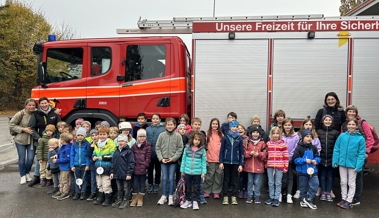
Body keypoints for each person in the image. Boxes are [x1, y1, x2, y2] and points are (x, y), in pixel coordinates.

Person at [341, 105, 374, 205]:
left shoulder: (362, 123)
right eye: (349, 112)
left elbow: (370, 138)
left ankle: (356, 198)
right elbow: (342, 140)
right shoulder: (343, 125)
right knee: (347, 178)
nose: (351, 113)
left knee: (358, 177)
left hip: (359, 156)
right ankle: (347, 197)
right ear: (346, 113)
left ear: (356, 113)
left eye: (353, 112)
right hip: (348, 157)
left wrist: (366, 152)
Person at [333, 118, 366, 209]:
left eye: (353, 124)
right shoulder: (342, 136)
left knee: (351, 183)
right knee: (343, 182)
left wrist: (359, 165)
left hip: (353, 164)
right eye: (349, 124)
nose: (351, 126)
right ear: (347, 125)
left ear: (356, 126)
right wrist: (335, 160)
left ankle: (349, 200)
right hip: (342, 163)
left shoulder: (360, 138)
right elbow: (336, 149)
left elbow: (361, 153)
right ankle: (343, 198)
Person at [29, 96, 61, 187]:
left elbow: (59, 125)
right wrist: (38, 137)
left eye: (45, 103)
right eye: (42, 103)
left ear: (48, 103)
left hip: (53, 140)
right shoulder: (36, 114)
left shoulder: (54, 112)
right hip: (41, 139)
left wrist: (57, 138)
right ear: (40, 104)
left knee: (51, 159)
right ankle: (37, 176)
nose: (44, 105)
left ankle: (49, 178)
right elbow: (32, 127)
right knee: (40, 158)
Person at [156, 118, 184, 205]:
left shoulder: (178, 136)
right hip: (163, 160)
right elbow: (157, 147)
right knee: (164, 178)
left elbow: (180, 148)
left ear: (175, 126)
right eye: (168, 124)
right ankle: (164, 196)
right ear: (165, 126)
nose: (170, 126)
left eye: (171, 124)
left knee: (171, 178)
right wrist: (161, 158)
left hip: (173, 161)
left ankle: (171, 196)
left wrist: (174, 158)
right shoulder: (161, 135)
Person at [9, 98, 37, 184]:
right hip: (20, 139)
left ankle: (27, 172)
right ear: (26, 106)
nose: (31, 107)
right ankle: (22, 175)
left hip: (31, 140)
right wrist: (23, 129)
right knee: (21, 158)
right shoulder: (20, 114)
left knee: (30, 159)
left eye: (33, 105)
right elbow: (12, 124)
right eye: (29, 105)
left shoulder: (36, 113)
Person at [293, 129, 321, 210]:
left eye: (310, 137)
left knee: (315, 184)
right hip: (302, 172)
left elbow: (318, 157)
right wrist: (304, 160)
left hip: (313, 171)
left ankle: (309, 199)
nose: (309, 138)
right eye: (307, 136)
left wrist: (316, 161)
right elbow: (295, 160)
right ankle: (303, 200)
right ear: (302, 137)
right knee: (303, 187)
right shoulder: (298, 148)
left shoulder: (314, 148)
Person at [219, 120, 244, 205]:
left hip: (236, 163)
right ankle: (225, 197)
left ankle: (234, 197)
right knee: (226, 180)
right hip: (226, 162)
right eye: (233, 126)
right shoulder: (226, 137)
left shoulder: (239, 139)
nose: (235, 128)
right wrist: (221, 162)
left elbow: (241, 152)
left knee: (235, 180)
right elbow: (222, 150)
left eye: (236, 127)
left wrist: (241, 164)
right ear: (230, 127)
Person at [180, 132, 207, 210]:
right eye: (195, 139)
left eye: (199, 140)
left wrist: (203, 172)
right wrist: (182, 170)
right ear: (192, 139)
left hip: (197, 173)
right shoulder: (186, 149)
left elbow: (203, 161)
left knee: (196, 187)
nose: (197, 141)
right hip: (187, 172)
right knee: (188, 187)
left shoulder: (202, 150)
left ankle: (195, 201)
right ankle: (188, 200)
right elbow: (183, 160)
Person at [317, 115, 340, 202]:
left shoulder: (336, 133)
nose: (327, 121)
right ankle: (323, 192)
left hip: (332, 159)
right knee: (322, 176)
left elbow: (338, 146)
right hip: (321, 158)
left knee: (330, 176)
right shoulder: (318, 132)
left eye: (329, 120)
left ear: (332, 122)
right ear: (323, 121)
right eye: (326, 120)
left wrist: (336, 158)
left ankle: (328, 192)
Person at [92, 126, 116, 206]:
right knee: (99, 183)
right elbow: (94, 153)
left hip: (106, 167)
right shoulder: (97, 144)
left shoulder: (111, 143)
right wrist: (94, 157)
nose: (102, 136)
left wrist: (102, 158)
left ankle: (108, 198)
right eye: (100, 134)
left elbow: (113, 155)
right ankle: (100, 198)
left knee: (106, 183)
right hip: (98, 167)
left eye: (104, 134)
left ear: (108, 135)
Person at [265, 127, 289, 207]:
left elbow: (286, 156)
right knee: (271, 182)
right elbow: (265, 155)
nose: (275, 135)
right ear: (271, 134)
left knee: (278, 183)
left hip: (279, 166)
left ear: (280, 135)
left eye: (277, 133)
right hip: (270, 166)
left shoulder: (283, 144)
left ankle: (276, 198)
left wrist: (286, 166)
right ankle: (271, 197)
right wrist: (266, 163)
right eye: (274, 133)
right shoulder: (268, 144)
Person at [244, 124, 267, 204]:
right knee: (250, 182)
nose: (255, 134)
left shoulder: (262, 143)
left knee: (257, 182)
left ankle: (257, 197)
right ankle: (249, 197)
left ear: (259, 134)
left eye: (257, 132)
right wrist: (250, 153)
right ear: (250, 133)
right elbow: (243, 152)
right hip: (249, 167)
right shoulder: (247, 142)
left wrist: (259, 154)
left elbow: (265, 154)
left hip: (259, 167)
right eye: (253, 132)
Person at [110, 135, 135, 209]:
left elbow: (131, 163)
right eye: (119, 141)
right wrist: (112, 172)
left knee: (126, 188)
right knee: (119, 188)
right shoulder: (116, 151)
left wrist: (129, 173)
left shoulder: (129, 152)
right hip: (117, 174)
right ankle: (119, 199)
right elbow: (113, 162)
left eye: (122, 141)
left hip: (125, 174)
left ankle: (126, 200)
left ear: (126, 142)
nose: (121, 142)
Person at [130, 129, 152, 207]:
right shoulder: (134, 146)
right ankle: (135, 197)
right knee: (135, 184)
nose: (142, 138)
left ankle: (140, 197)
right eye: (140, 136)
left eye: (143, 136)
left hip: (143, 168)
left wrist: (145, 165)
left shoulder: (148, 146)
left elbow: (148, 157)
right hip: (135, 168)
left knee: (142, 184)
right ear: (137, 137)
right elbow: (131, 157)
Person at [280, 117, 299, 204]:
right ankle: (279, 193)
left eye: (289, 125)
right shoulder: (280, 135)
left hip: (291, 160)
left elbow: (296, 148)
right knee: (282, 178)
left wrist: (289, 157)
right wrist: (283, 157)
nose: (287, 127)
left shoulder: (296, 136)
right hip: (281, 160)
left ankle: (289, 195)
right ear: (283, 126)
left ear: (292, 126)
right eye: (285, 125)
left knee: (290, 178)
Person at [204, 118, 224, 199]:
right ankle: (206, 191)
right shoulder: (207, 134)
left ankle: (216, 191)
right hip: (210, 159)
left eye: (216, 124)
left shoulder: (221, 135)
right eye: (213, 124)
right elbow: (205, 147)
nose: (215, 125)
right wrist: (205, 159)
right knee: (209, 176)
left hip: (219, 160)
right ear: (211, 124)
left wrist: (222, 160)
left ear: (218, 125)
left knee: (218, 177)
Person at [146, 113, 165, 194]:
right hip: (149, 153)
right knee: (149, 170)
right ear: (151, 119)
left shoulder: (163, 129)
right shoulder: (147, 129)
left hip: (159, 153)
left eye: (157, 119)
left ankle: (157, 184)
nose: (155, 120)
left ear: (160, 120)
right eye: (153, 118)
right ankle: (150, 184)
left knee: (158, 170)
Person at [70, 127, 91, 200]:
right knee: (77, 179)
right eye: (78, 135)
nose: (80, 137)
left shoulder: (87, 144)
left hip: (84, 164)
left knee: (84, 179)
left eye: (82, 135)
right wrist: (72, 165)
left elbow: (88, 155)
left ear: (84, 136)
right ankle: (77, 192)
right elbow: (72, 155)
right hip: (76, 165)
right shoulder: (74, 145)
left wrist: (88, 164)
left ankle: (83, 192)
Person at [51, 132, 73, 200]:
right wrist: (57, 155)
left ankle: (65, 192)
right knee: (61, 179)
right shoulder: (63, 147)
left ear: (63, 140)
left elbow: (67, 158)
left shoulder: (67, 148)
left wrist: (57, 161)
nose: (59, 140)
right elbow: (60, 153)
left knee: (65, 180)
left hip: (66, 167)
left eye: (60, 138)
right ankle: (61, 191)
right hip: (62, 167)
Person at [86, 129, 99, 201]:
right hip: (93, 164)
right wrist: (91, 147)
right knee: (93, 179)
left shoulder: (101, 143)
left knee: (100, 180)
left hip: (100, 164)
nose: (94, 137)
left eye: (96, 135)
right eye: (92, 135)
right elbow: (88, 154)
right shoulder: (90, 144)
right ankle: (93, 192)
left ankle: (100, 193)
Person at [238, 124, 248, 199]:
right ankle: (240, 189)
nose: (240, 130)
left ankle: (246, 190)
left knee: (246, 176)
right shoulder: (236, 138)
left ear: (244, 130)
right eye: (238, 128)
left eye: (242, 128)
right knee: (240, 176)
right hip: (238, 160)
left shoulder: (247, 139)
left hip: (246, 160)